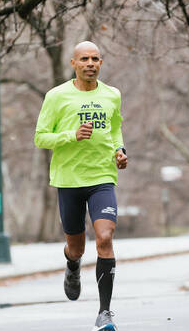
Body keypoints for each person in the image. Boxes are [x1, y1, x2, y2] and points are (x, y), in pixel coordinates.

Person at [34, 41, 127, 331]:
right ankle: (72, 266)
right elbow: (40, 138)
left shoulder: (112, 95)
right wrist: (70, 136)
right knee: (76, 247)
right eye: (84, 58)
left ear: (101, 62)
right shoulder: (56, 96)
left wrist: (120, 150)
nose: (90, 63)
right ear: (73, 63)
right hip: (69, 180)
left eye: (95, 59)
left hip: (102, 177)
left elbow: (114, 128)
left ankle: (104, 314)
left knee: (105, 238)